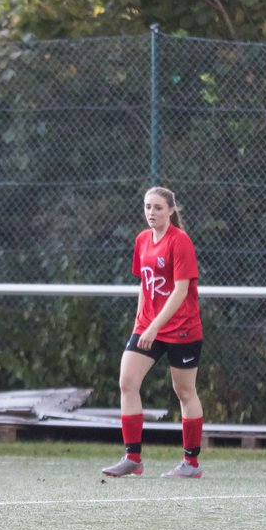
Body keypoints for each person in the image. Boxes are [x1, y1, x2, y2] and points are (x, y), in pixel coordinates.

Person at [102, 186, 206, 478]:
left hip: (182, 328)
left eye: (158, 207)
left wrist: (154, 325)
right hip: (148, 325)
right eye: (148, 207)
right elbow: (145, 285)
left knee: (184, 391)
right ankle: (132, 458)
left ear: (171, 210)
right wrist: (141, 320)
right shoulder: (142, 240)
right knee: (127, 382)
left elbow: (180, 291)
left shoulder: (180, 241)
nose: (152, 213)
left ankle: (191, 464)